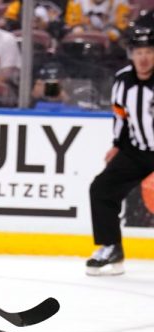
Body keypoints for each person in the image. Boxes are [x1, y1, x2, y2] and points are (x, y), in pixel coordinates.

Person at [86, 24, 154, 276]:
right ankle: (111, 246)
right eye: (139, 52)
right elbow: (121, 117)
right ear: (131, 54)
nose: (144, 57)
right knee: (101, 189)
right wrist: (117, 145)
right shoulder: (123, 80)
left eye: (149, 51)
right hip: (136, 150)